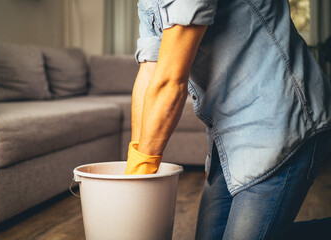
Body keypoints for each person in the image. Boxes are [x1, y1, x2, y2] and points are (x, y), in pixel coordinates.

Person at [124, 0, 331, 239]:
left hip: (280, 119)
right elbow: (149, 73)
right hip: (228, 137)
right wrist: (134, 167)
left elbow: (170, 80)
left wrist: (140, 176)